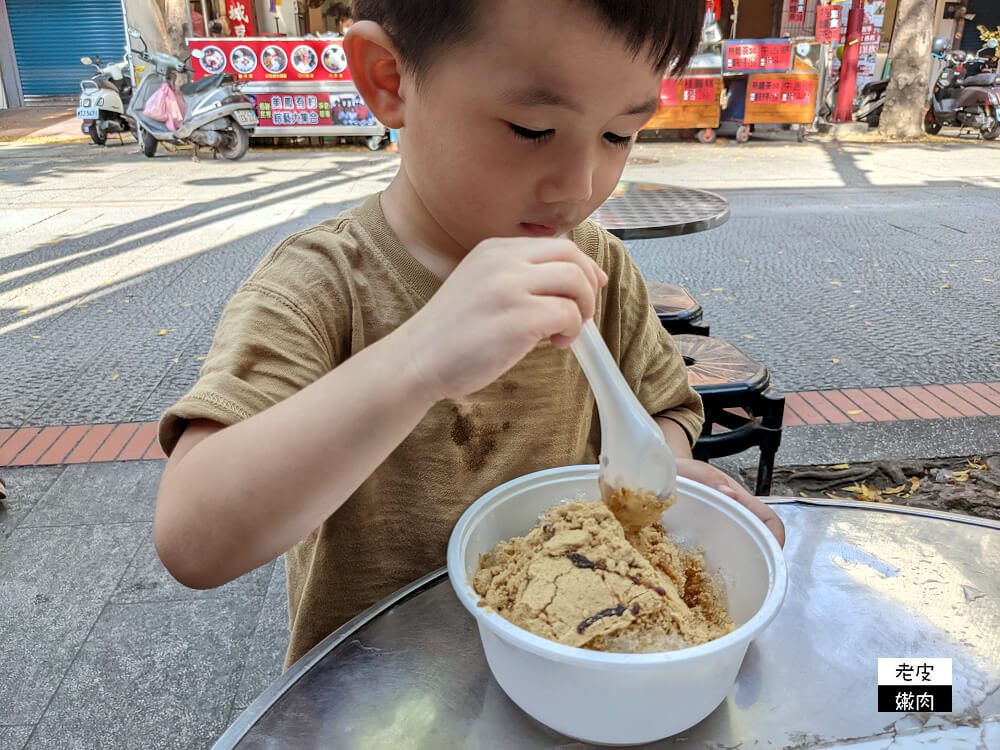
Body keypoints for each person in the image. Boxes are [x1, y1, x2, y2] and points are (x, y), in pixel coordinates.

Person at [153, 0, 785, 670]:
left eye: (618, 135)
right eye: (533, 129)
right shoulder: (323, 286)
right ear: (389, 78)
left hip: (568, 676)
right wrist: (418, 360)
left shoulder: (595, 267)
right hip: (379, 701)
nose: (579, 187)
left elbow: (666, 404)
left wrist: (663, 466)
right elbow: (194, 541)